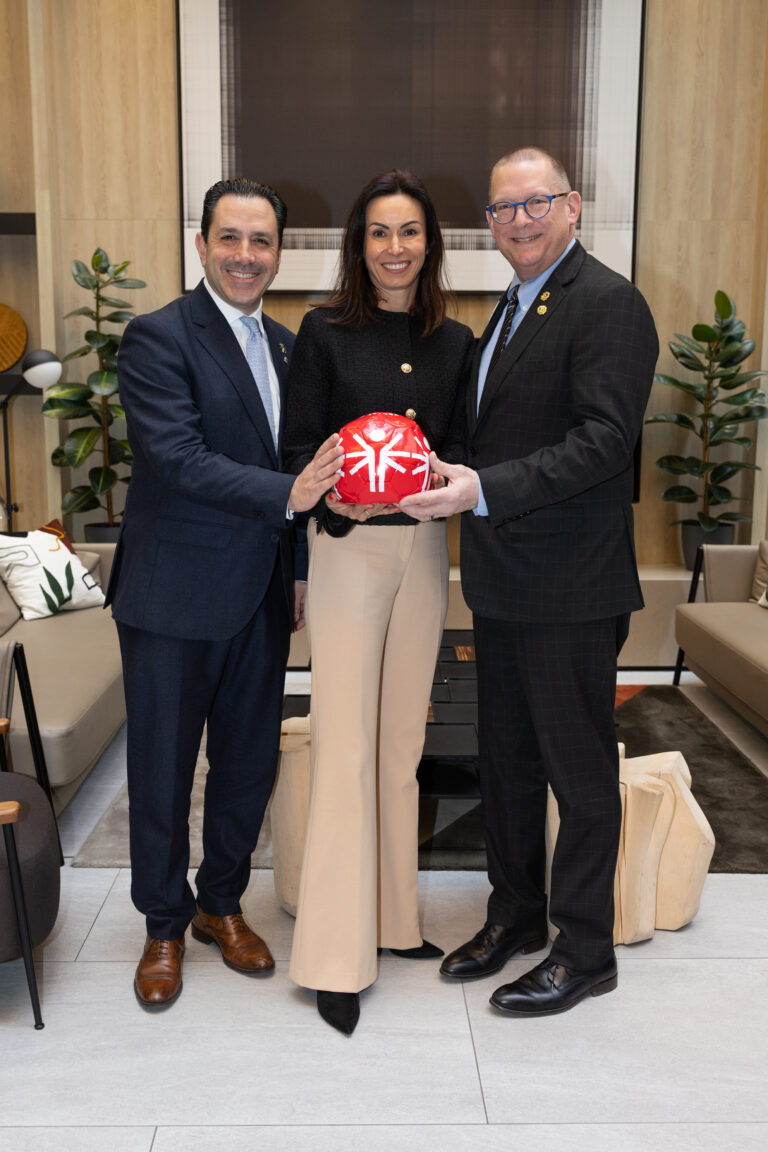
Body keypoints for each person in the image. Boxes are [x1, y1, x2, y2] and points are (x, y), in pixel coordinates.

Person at [401, 148, 659, 1016]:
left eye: (535, 203)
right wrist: (439, 468)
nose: (518, 220)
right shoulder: (508, 309)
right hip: (503, 583)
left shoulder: (609, 303)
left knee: (576, 775)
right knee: (505, 763)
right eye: (502, 208)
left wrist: (482, 488)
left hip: (572, 589)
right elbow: (494, 436)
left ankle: (584, 951)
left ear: (572, 206)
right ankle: (514, 915)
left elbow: (604, 442)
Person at [107, 177, 343, 1009]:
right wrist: (290, 495)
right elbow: (177, 457)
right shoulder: (158, 336)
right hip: (173, 594)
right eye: (231, 238)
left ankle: (221, 904)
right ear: (202, 244)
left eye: (262, 241)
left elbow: (300, 464)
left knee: (246, 766)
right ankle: (163, 924)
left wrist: (301, 569)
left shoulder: (287, 347)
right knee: (165, 769)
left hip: (264, 593)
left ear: (279, 252)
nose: (246, 256)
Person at [283, 169, 474, 1035]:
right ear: (358, 246)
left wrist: (444, 478)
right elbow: (297, 450)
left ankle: (394, 921)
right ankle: (333, 956)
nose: (395, 248)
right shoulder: (323, 332)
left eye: (410, 232)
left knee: (401, 743)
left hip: (424, 551)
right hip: (347, 552)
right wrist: (332, 500)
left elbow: (462, 450)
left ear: (430, 243)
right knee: (346, 744)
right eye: (378, 233)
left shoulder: (456, 340)